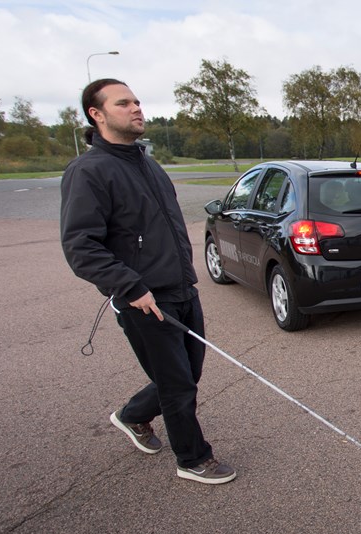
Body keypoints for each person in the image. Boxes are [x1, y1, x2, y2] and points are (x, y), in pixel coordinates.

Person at [60, 78, 235, 484]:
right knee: (177, 385)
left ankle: (133, 416)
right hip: (143, 297)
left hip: (181, 289)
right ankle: (192, 459)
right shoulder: (89, 171)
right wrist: (129, 286)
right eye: (124, 103)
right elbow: (80, 246)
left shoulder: (148, 164)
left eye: (137, 101)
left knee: (187, 375)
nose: (137, 108)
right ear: (97, 114)